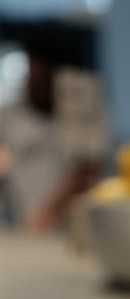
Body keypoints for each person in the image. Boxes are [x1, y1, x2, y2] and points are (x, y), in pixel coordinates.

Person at [0, 38, 105, 232]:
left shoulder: (80, 115)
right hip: (22, 221)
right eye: (30, 79)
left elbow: (87, 170)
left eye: (41, 80)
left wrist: (46, 214)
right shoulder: (10, 114)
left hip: (70, 228)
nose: (33, 86)